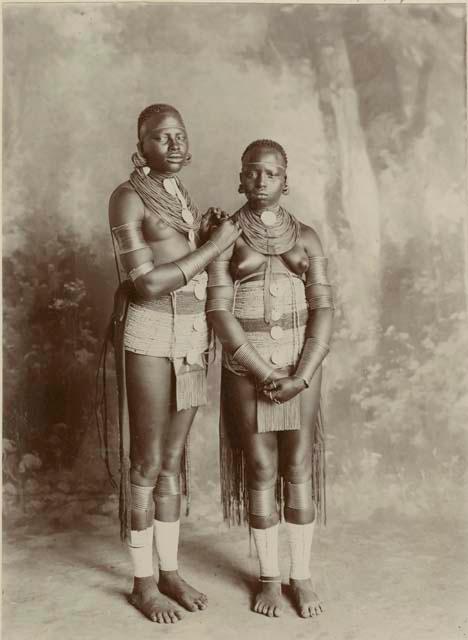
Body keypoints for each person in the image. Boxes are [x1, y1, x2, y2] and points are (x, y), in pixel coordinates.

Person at [107, 104, 240, 624]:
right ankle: (142, 584)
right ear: (142, 148)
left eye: (180, 135)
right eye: (162, 138)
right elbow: (145, 283)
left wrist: (211, 239)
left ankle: (168, 570)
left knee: (173, 461)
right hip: (149, 332)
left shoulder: (182, 196)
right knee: (145, 461)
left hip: (191, 336)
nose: (175, 144)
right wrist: (213, 247)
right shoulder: (125, 198)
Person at [206, 139, 334, 619]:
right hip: (247, 367)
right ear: (240, 177)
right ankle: (268, 579)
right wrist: (261, 371)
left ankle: (300, 577)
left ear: (286, 180)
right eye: (253, 172)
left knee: (298, 467)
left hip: (302, 366)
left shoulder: (308, 237)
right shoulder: (224, 235)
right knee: (260, 469)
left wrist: (301, 375)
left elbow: (324, 308)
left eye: (272, 173)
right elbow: (218, 309)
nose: (262, 180)